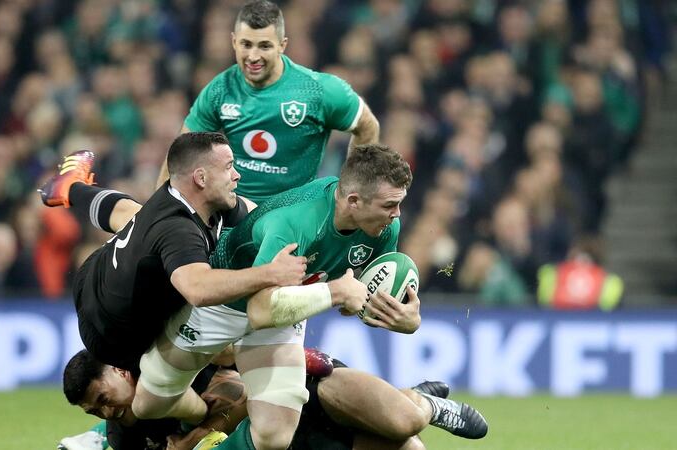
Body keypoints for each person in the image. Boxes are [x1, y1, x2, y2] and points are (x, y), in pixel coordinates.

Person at [134, 145, 487, 450]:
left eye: (399, 204)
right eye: (390, 205)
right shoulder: (295, 222)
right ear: (352, 201)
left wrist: (403, 320)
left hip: (283, 310)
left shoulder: (382, 227)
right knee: (147, 405)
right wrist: (334, 293)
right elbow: (257, 308)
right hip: (224, 303)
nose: (397, 216)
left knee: (274, 436)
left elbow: (355, 301)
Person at [38, 132, 308, 423]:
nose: (237, 175)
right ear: (201, 178)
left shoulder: (182, 196)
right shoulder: (179, 231)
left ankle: (71, 188)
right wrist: (270, 273)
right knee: (221, 352)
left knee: (136, 217)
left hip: (96, 275)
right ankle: (202, 420)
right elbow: (197, 289)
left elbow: (259, 217)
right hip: (113, 335)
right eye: (229, 166)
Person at [157, 0, 381, 203]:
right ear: (234, 42)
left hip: (294, 218)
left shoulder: (318, 90)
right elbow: (180, 156)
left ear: (282, 45)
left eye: (264, 46)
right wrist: (155, 220)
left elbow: (368, 126)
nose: (253, 56)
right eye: (246, 45)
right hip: (234, 217)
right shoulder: (220, 90)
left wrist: (354, 189)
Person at [59, 347, 485, 450]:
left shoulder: (172, 363)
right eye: (95, 411)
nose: (106, 408)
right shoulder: (125, 436)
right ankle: (413, 395)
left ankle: (427, 406)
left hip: (307, 393)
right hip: (299, 444)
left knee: (404, 424)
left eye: (102, 397)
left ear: (120, 371)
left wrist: (197, 437)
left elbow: (241, 393)